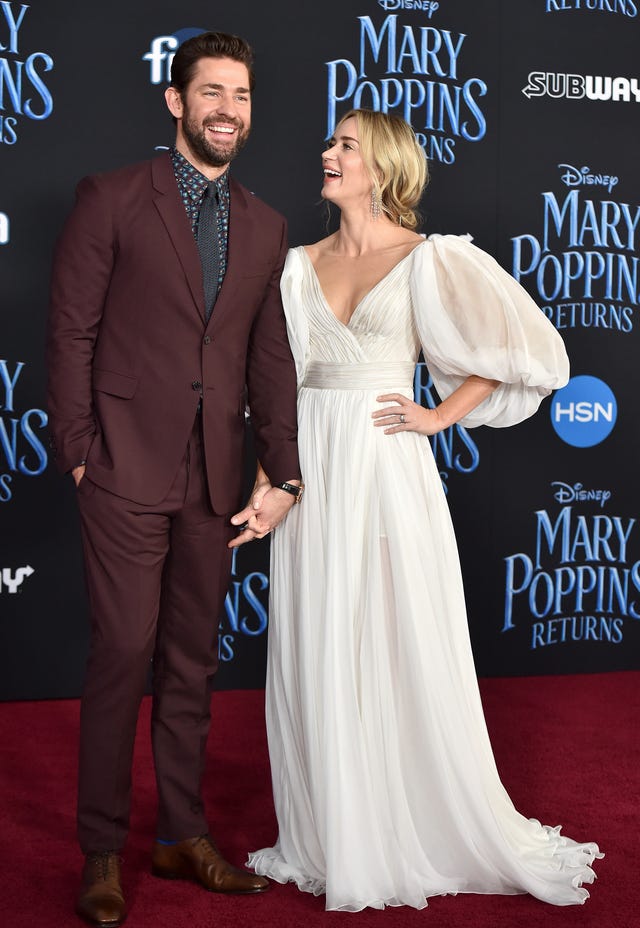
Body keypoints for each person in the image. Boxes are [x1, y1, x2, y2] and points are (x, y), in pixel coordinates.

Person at [234, 109, 603, 911]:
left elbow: (523, 353)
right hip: (312, 471)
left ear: (384, 166)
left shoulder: (430, 259)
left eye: (346, 145)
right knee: (320, 639)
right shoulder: (294, 266)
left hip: (386, 467)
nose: (327, 153)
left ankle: (408, 827)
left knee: (394, 638)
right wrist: (270, 482)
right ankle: (333, 834)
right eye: (330, 142)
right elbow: (276, 394)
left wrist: (439, 416)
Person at [47, 31, 303, 928]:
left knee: (192, 664)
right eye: (212, 93)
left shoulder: (267, 225)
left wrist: (286, 475)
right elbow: (71, 332)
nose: (228, 110)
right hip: (120, 467)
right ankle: (102, 848)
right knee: (123, 654)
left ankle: (182, 835)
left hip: (216, 480)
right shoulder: (113, 197)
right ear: (176, 102)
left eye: (242, 95)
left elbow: (269, 360)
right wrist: (80, 449)